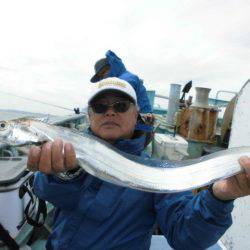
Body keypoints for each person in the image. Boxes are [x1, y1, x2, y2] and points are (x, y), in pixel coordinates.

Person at [27, 77, 250, 250]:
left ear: (136, 116)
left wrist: (220, 197)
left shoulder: (156, 172)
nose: (110, 111)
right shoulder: (69, 155)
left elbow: (187, 237)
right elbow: (48, 191)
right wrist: (65, 175)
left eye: (121, 105)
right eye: (100, 106)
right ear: (90, 116)